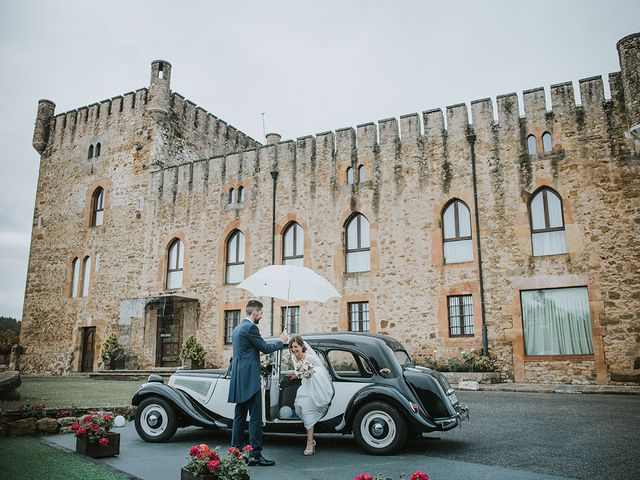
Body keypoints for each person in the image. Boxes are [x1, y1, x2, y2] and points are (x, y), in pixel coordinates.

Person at [228, 299, 288, 467]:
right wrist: (281, 341)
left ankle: (236, 452)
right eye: (261, 313)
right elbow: (265, 348)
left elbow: (247, 351)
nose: (261, 316)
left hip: (239, 376)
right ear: (254, 313)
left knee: (239, 416)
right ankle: (255, 454)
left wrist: (257, 357)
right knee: (255, 417)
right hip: (250, 378)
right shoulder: (251, 328)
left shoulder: (237, 328)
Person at [288, 335, 334, 455]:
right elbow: (299, 371)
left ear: (302, 346)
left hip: (314, 388)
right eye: (292, 347)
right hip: (305, 387)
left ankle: (310, 442)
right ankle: (310, 435)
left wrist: (309, 373)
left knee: (307, 412)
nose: (293, 349)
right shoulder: (294, 357)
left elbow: (321, 372)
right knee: (299, 408)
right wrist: (297, 374)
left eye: (296, 346)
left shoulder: (310, 357)